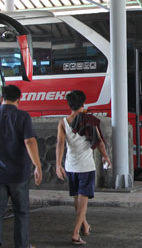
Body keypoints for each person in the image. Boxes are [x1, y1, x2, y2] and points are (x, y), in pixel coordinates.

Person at [0, 85, 42, 248]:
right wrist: (38, 166)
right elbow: (29, 141)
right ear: (19, 99)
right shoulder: (23, 116)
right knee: (21, 211)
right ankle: (22, 244)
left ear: (1, 99)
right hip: (18, 174)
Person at [56, 90, 112, 246]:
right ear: (83, 103)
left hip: (70, 166)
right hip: (86, 167)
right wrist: (106, 157)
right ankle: (75, 233)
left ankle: (85, 226)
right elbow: (99, 141)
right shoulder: (88, 120)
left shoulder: (63, 122)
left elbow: (60, 144)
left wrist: (57, 164)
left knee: (77, 199)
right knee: (84, 201)